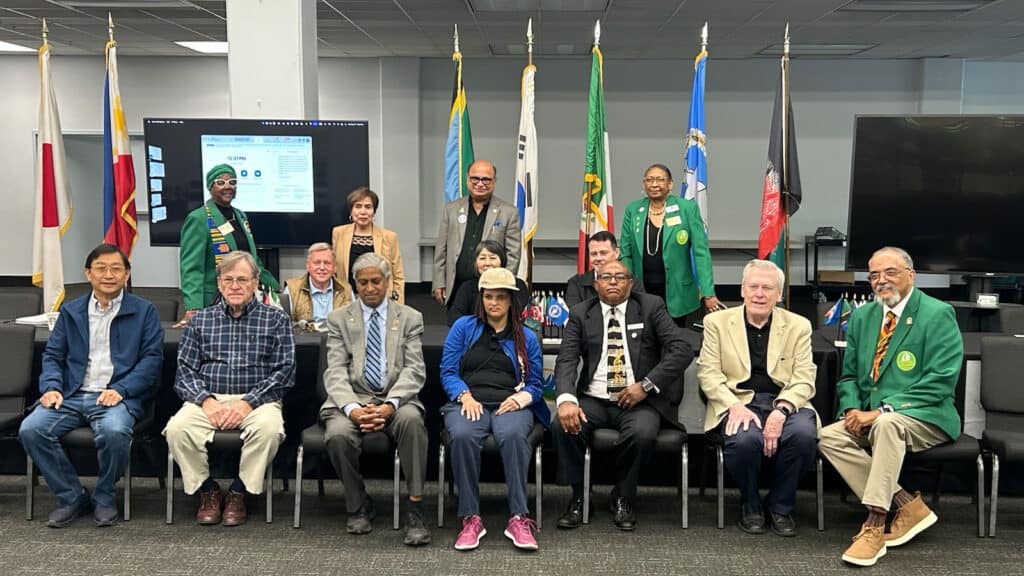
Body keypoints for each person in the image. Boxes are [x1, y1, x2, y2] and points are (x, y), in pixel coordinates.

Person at [818, 247, 963, 567]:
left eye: (890, 272)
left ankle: (874, 523)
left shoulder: (938, 313)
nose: (881, 281)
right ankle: (906, 504)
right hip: (875, 416)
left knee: (887, 424)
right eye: (873, 275)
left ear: (911, 275)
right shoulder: (862, 317)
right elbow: (849, 376)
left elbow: (941, 380)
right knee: (828, 436)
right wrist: (852, 410)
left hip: (926, 414)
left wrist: (883, 409)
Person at [19, 243, 163, 528]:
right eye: (101, 268)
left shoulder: (145, 311)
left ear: (127, 274)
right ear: (88, 273)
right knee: (31, 430)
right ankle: (71, 495)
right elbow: (53, 356)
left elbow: (152, 360)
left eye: (116, 269)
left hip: (117, 396)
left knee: (114, 431)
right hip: (72, 395)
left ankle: (105, 495)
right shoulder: (71, 312)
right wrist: (51, 387)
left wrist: (121, 389)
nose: (108, 275)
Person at [552, 260, 692, 531]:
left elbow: (681, 350)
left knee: (642, 433)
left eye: (620, 277)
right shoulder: (582, 313)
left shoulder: (651, 306)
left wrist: (647, 385)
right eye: (606, 277)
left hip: (639, 401)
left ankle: (624, 496)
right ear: (596, 284)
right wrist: (567, 399)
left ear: (630, 283)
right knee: (562, 424)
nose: (613, 281)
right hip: (594, 399)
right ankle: (580, 496)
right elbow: (567, 360)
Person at [164, 250, 295, 527]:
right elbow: (185, 371)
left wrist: (247, 403)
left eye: (242, 279)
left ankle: (238, 491)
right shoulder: (200, 321)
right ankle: (208, 491)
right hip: (208, 399)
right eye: (229, 279)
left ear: (256, 282)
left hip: (258, 401)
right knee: (177, 429)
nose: (235, 286)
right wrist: (207, 401)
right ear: (220, 284)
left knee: (270, 431)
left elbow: (285, 372)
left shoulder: (276, 319)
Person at [698, 259, 818, 537]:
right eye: (753, 287)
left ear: (779, 294)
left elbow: (804, 378)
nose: (759, 294)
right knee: (745, 440)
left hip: (785, 400)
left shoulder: (799, 325)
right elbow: (708, 375)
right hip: (737, 400)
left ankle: (780, 506)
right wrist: (734, 406)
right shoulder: (716, 322)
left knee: (803, 436)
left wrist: (782, 410)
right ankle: (750, 503)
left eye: (767, 288)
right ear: (742, 290)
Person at [320, 253, 431, 546]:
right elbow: (335, 372)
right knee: (337, 434)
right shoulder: (339, 319)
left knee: (412, 421)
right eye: (363, 282)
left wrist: (389, 404)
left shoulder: (409, 317)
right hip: (352, 399)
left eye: (375, 281)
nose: (369, 288)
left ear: (387, 282)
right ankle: (358, 505)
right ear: (355, 284)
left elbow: (414, 369)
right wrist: (354, 409)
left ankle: (416, 509)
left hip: (396, 398)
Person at [440, 267, 550, 551]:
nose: (494, 303)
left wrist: (521, 399)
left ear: (512, 300)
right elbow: (448, 371)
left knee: (513, 436)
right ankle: (470, 518)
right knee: (463, 436)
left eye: (501, 297)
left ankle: (518, 517)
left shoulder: (526, 336)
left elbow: (536, 384)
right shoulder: (463, 327)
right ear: (482, 298)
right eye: (489, 296)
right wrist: (463, 395)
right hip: (470, 401)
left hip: (509, 403)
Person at [618, 163, 721, 328]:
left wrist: (708, 293)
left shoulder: (687, 208)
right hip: (641, 292)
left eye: (660, 180)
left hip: (678, 294)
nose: (654, 184)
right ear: (644, 184)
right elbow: (626, 253)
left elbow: (701, 253)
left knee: (675, 342)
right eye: (649, 180)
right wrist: (627, 285)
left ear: (670, 184)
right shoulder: (633, 210)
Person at [177, 164, 279, 325]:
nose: (228, 187)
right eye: (221, 182)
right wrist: (194, 307)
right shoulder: (199, 218)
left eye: (232, 182)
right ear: (211, 187)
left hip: (245, 298)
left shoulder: (240, 215)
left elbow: (251, 259)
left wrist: (273, 285)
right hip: (214, 301)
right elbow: (191, 268)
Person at [433, 160, 521, 308]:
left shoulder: (508, 212)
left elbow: (513, 254)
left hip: (490, 289)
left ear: (494, 182)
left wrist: (503, 283)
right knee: (458, 327)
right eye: (475, 178)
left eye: (486, 179)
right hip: (456, 287)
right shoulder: (451, 209)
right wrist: (439, 282)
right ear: (468, 180)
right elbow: (441, 249)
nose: (480, 183)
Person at [331, 187, 406, 303]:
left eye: (368, 207)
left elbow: (398, 275)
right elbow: (335, 272)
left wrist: (398, 305)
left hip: (380, 299)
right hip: (347, 300)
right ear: (351, 210)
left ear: (374, 211)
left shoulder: (389, 237)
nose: (363, 212)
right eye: (358, 206)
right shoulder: (338, 233)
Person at [446, 240, 530, 326]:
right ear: (476, 263)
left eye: (493, 258)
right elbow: (454, 318)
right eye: (482, 258)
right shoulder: (467, 287)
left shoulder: (517, 285)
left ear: (502, 260)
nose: (487, 263)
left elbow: (519, 317)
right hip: (474, 336)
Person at [283, 242, 349, 323]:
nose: (322, 267)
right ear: (308, 266)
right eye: (317, 263)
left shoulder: (346, 290)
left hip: (336, 335)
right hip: (305, 335)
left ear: (335, 267)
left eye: (327, 263)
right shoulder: (291, 289)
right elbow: (284, 325)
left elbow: (354, 324)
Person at [565, 231, 619, 309]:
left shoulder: (631, 282)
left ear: (616, 253)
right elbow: (575, 317)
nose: (598, 258)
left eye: (603, 253)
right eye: (594, 254)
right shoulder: (576, 283)